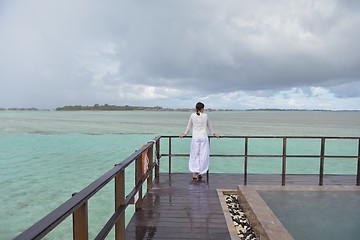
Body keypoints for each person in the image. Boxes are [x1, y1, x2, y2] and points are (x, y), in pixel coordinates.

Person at [179, 102, 220, 180]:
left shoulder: (192, 115)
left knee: (195, 155)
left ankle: (195, 172)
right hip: (203, 137)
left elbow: (189, 126)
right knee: (203, 155)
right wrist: (214, 134)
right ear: (202, 109)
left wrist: (184, 134)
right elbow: (209, 126)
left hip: (196, 137)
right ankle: (200, 171)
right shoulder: (205, 116)